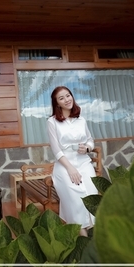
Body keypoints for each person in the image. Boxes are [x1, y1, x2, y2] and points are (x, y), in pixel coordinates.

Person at [47, 86, 97, 236]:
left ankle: (93, 236)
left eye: (68, 95)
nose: (66, 100)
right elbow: (56, 150)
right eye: (61, 98)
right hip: (64, 165)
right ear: (57, 103)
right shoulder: (52, 122)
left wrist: (87, 148)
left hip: (84, 162)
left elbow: (90, 140)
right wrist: (70, 168)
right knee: (75, 201)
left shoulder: (81, 120)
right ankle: (83, 239)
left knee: (91, 195)